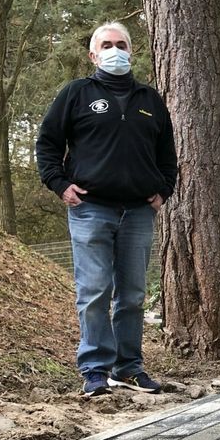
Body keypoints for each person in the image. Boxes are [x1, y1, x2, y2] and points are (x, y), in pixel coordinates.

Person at [36, 21, 177, 397]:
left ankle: (128, 368)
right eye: (107, 45)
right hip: (90, 209)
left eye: (122, 44)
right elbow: (47, 143)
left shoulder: (150, 99)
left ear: (131, 51)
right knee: (95, 291)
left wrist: (164, 189)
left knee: (131, 295)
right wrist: (60, 184)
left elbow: (168, 154)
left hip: (138, 213)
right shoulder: (76, 94)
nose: (115, 50)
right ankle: (96, 370)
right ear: (93, 54)